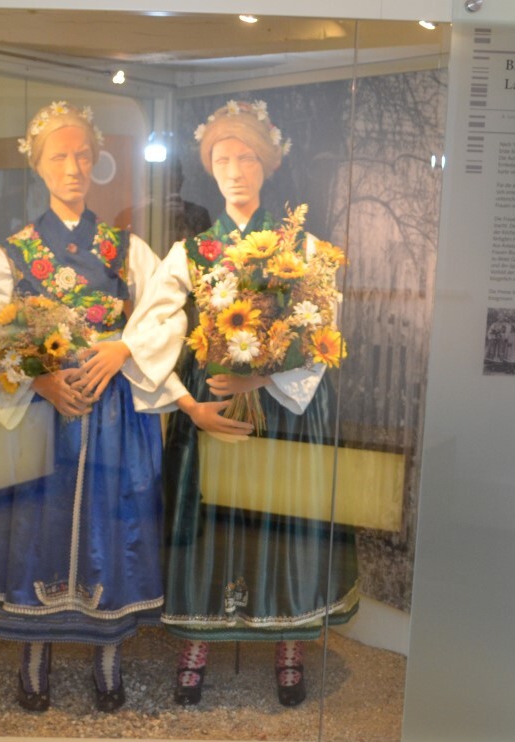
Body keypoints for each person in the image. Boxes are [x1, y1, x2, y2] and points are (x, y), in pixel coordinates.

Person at [126, 100, 359, 707]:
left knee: (283, 518)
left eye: (247, 157)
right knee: (211, 522)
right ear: (210, 167)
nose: (234, 171)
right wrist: (187, 405)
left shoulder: (303, 248)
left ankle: (289, 644)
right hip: (214, 410)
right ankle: (197, 645)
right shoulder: (193, 252)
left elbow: (323, 330)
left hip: (284, 410)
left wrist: (261, 379)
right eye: (223, 159)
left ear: (268, 164)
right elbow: (148, 331)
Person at [0, 102, 176, 712]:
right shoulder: (16, 253)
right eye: (59, 156)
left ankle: (110, 655)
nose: (73, 167)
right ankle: (35, 655)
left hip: (112, 414)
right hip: (43, 417)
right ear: (38, 165)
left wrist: (123, 349)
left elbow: (165, 313)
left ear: (97, 162)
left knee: (112, 521)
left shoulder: (125, 249)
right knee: (39, 522)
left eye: (83, 155)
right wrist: (38, 380)